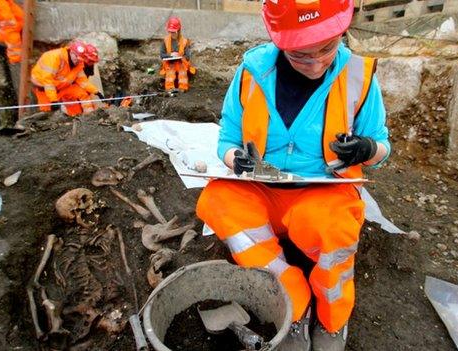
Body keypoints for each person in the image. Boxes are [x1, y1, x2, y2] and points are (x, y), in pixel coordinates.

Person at [195, 0, 391, 350]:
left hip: (323, 192)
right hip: (262, 187)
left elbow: (381, 148)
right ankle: (292, 303)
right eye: (299, 55)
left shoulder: (359, 78)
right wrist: (234, 157)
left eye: (327, 48)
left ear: (341, 31)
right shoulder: (252, 72)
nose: (315, 63)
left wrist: (366, 149)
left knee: (333, 230)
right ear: (279, 42)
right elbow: (227, 137)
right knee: (217, 200)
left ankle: (332, 321)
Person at [31, 40, 103, 117]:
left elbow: (82, 80)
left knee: (82, 94)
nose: (78, 60)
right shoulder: (54, 58)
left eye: (81, 59)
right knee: (46, 114)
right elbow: (48, 82)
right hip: (44, 89)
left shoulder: (79, 62)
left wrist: (96, 91)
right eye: (76, 57)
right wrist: (53, 100)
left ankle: (87, 118)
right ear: (71, 52)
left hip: (61, 86)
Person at [160, 17, 196, 92]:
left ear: (178, 30)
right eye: (170, 32)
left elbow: (188, 56)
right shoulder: (166, 40)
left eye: (174, 32)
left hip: (181, 63)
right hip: (170, 63)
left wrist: (180, 57)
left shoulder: (184, 41)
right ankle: (169, 88)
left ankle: (183, 88)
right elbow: (162, 55)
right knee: (170, 72)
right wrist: (171, 55)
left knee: (182, 71)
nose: (172, 34)